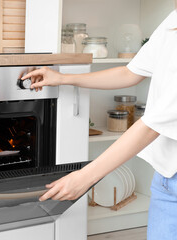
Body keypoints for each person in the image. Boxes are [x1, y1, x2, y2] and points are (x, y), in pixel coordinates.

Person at [21, 5, 177, 240]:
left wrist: (84, 177)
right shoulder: (172, 20)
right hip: (166, 174)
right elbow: (131, 72)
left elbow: (150, 126)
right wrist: (63, 78)